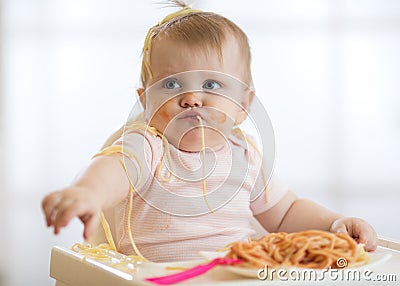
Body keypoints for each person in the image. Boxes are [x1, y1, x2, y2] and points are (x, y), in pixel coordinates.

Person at [42, 2, 377, 263]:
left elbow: (287, 212)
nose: (191, 99)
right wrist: (88, 193)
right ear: (144, 102)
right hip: (158, 277)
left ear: (244, 104)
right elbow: (115, 170)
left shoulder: (243, 155)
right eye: (171, 84)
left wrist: (334, 224)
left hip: (236, 274)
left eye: (211, 84)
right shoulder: (149, 146)